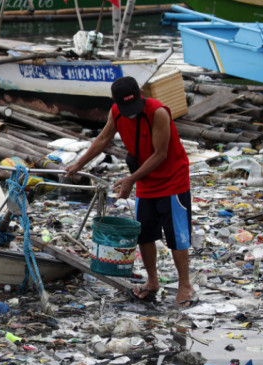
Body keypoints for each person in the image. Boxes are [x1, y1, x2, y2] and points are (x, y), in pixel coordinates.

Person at [66, 76, 195, 306]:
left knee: (176, 235)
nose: (130, 112)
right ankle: (152, 281)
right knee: (144, 232)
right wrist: (79, 163)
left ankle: (185, 285)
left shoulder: (158, 113)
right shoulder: (116, 112)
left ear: (140, 94)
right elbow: (103, 138)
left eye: (132, 106)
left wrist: (130, 180)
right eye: (125, 108)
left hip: (172, 179)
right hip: (145, 180)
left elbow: (160, 154)